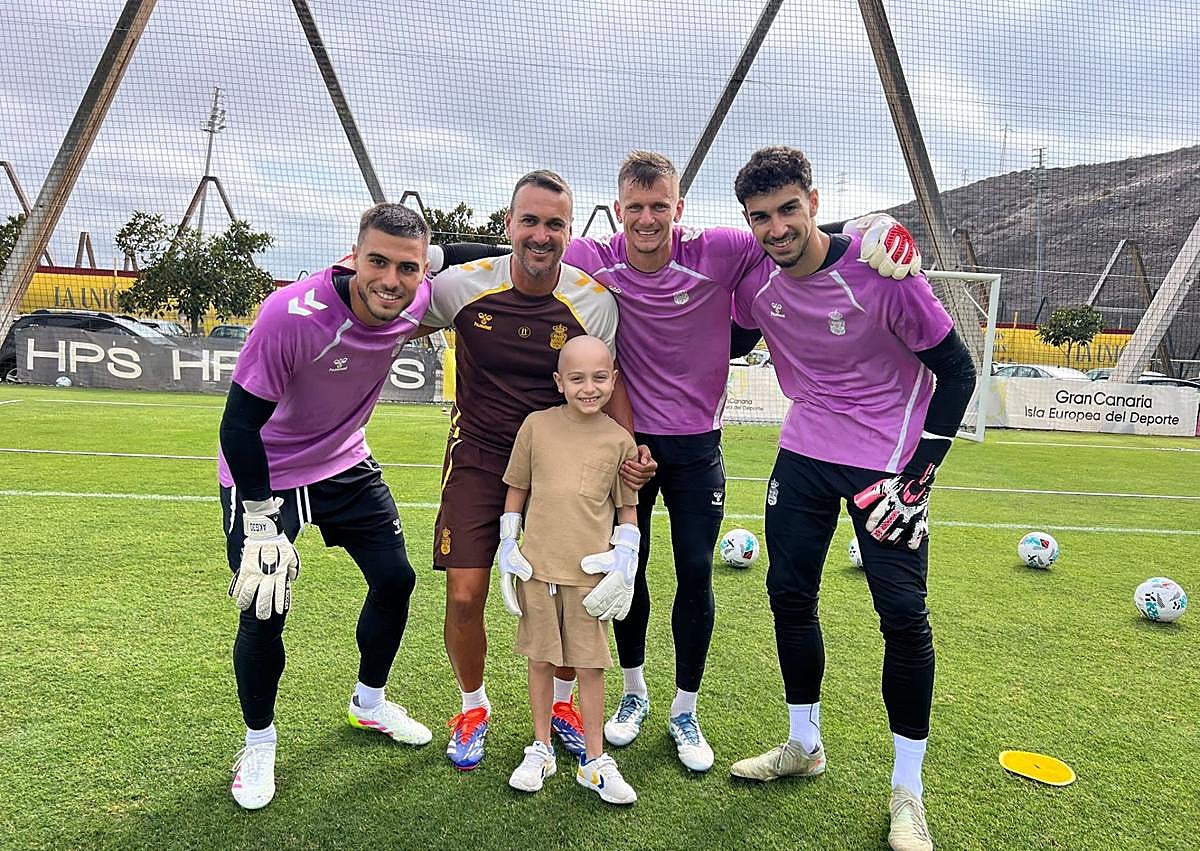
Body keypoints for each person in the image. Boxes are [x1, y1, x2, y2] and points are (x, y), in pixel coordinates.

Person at [430, 151, 920, 772]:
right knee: (616, 574)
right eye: (634, 207)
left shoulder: (721, 249)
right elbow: (517, 252)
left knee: (694, 573)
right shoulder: (591, 256)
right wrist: (424, 255)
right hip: (623, 446)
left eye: (659, 205)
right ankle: (631, 695)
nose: (646, 218)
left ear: (679, 207)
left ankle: (684, 708)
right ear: (616, 210)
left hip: (696, 448)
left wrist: (871, 229)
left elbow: (792, 236)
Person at [726, 146, 976, 851]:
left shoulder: (883, 271)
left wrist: (921, 475)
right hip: (803, 454)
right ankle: (804, 743)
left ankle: (908, 790)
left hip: (887, 468)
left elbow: (955, 373)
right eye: (760, 217)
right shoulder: (756, 285)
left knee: (902, 617)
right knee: (789, 594)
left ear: (811, 199)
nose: (776, 228)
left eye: (787, 210)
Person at [416, 170, 640, 771]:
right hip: (478, 457)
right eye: (531, 221)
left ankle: (564, 705)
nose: (541, 235)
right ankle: (473, 706)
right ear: (508, 224)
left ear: (571, 231)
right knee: (465, 593)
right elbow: (388, 311)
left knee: (570, 594)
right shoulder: (459, 288)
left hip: (561, 468)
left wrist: (630, 453)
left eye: (555, 224)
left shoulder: (592, 301)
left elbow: (607, 379)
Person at [218, 203, 435, 810]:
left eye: (407, 267)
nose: (390, 280)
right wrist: (260, 518)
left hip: (345, 463)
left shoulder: (419, 296)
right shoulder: (290, 314)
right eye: (377, 262)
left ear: (423, 269)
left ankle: (369, 704)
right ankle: (259, 743)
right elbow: (237, 429)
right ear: (353, 256)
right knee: (265, 609)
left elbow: (476, 261)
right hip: (267, 470)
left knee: (396, 579)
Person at [498, 334, 640, 804]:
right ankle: (540, 747)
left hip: (590, 577)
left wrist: (626, 557)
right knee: (539, 660)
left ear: (613, 380)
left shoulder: (620, 440)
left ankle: (595, 761)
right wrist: (507, 540)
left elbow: (626, 509)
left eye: (599, 378)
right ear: (559, 381)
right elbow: (517, 487)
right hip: (537, 570)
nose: (588, 387)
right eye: (576, 378)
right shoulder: (535, 426)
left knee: (591, 667)